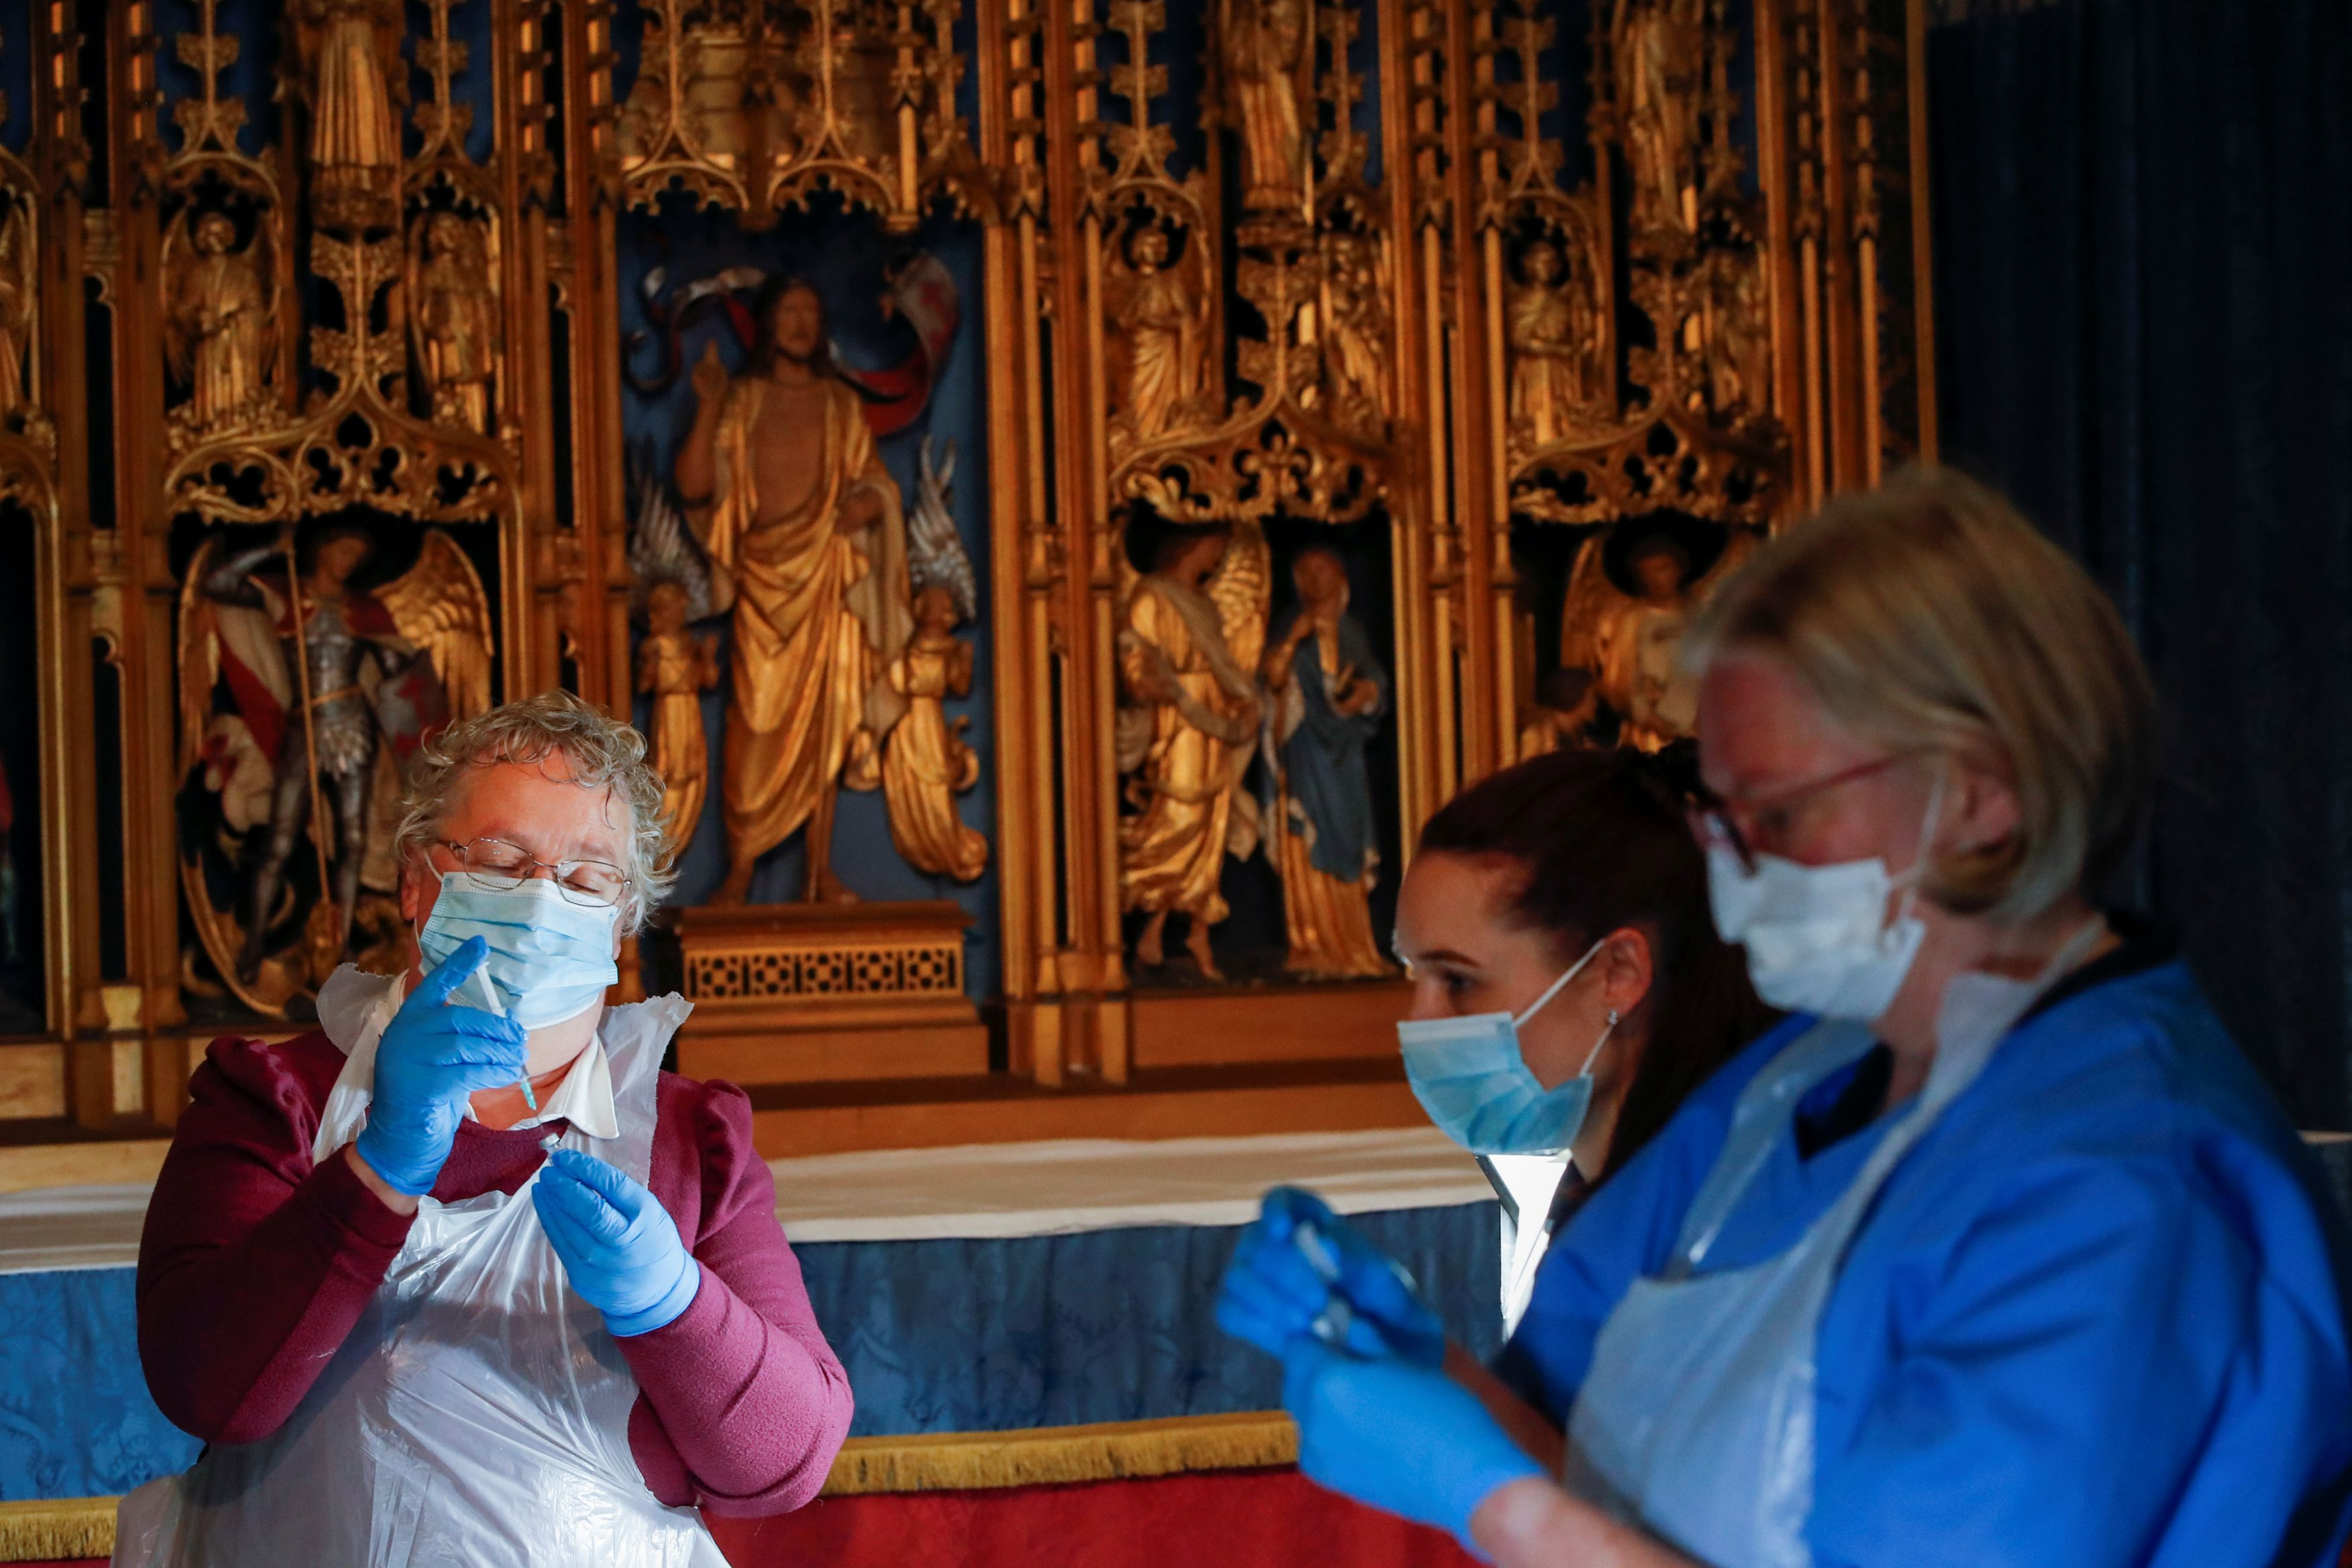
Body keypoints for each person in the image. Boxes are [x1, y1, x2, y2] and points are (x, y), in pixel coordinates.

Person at [1222, 470, 2352, 1566]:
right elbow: (1591, 1436)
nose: (1732, 873)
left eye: (1779, 814)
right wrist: (1433, 1375)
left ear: (1982, 792)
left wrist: (1504, 1506)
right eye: (1721, 815)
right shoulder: (1792, 1090)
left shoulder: (2128, 1180)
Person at [118, 691, 853, 1566]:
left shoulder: (694, 1140)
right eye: (505, 863)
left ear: (620, 928)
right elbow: (206, 1387)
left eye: (586, 880)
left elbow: (783, 1465)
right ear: (419, 882)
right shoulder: (276, 1096)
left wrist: (673, 1303)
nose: (543, 901)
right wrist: (377, 1167)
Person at [1221, 744, 1774, 1347]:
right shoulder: (1616, 1194)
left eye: (1458, 980)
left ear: (1617, 971)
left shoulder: (1713, 1219)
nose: (1420, 1021)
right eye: (1415, 977)